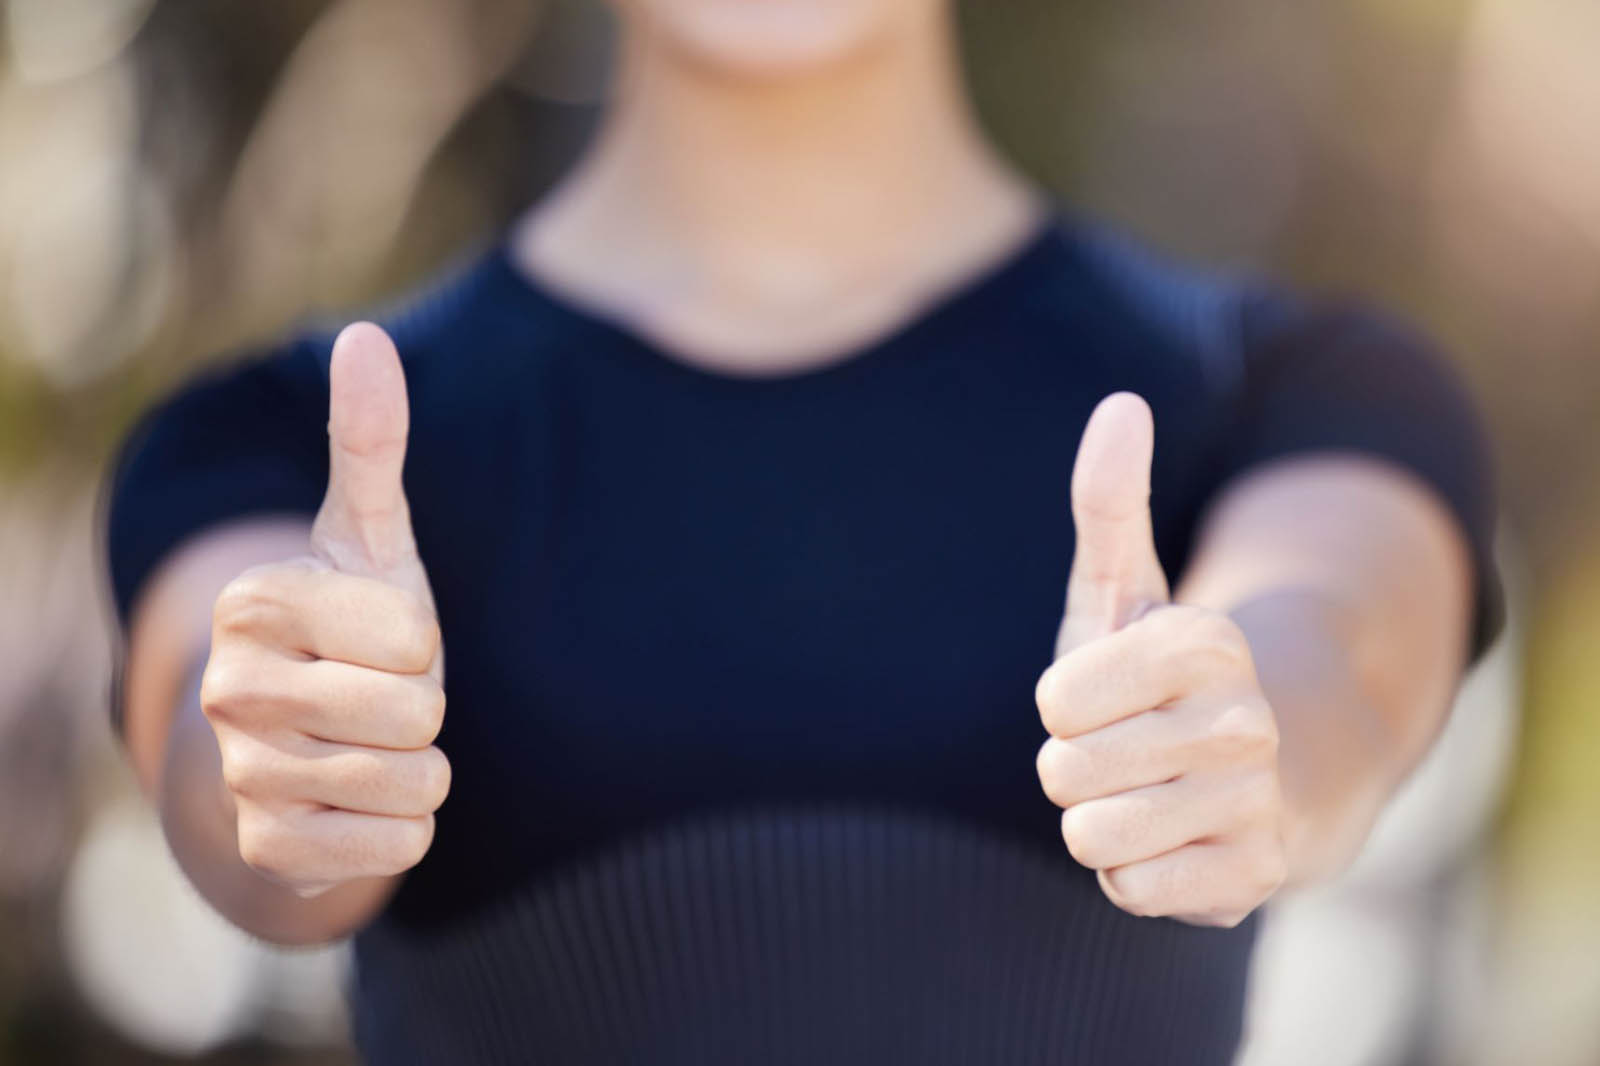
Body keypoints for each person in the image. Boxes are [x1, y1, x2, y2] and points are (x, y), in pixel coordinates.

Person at [104, 1, 1498, 1063]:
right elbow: (216, 733)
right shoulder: (277, 447)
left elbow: (1341, 644)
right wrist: (289, 766)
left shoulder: (1293, 393)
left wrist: (1244, 742)